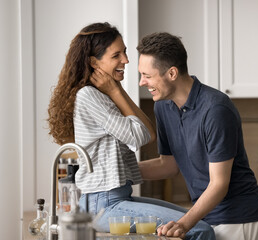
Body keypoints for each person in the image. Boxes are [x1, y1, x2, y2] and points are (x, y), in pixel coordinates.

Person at [47, 22, 215, 240]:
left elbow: (148, 132)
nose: (125, 60)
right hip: (104, 204)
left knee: (198, 222)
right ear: (93, 62)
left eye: (124, 52)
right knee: (201, 230)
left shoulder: (104, 94)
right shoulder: (89, 96)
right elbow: (141, 136)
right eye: (116, 55)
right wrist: (116, 91)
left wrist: (115, 91)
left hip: (115, 198)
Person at [136, 32, 258, 240]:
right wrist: (122, 170)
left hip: (238, 218)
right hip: (207, 218)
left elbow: (219, 184)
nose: (142, 82)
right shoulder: (163, 107)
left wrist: (183, 224)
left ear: (172, 73)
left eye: (147, 75)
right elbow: (169, 165)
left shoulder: (215, 109)